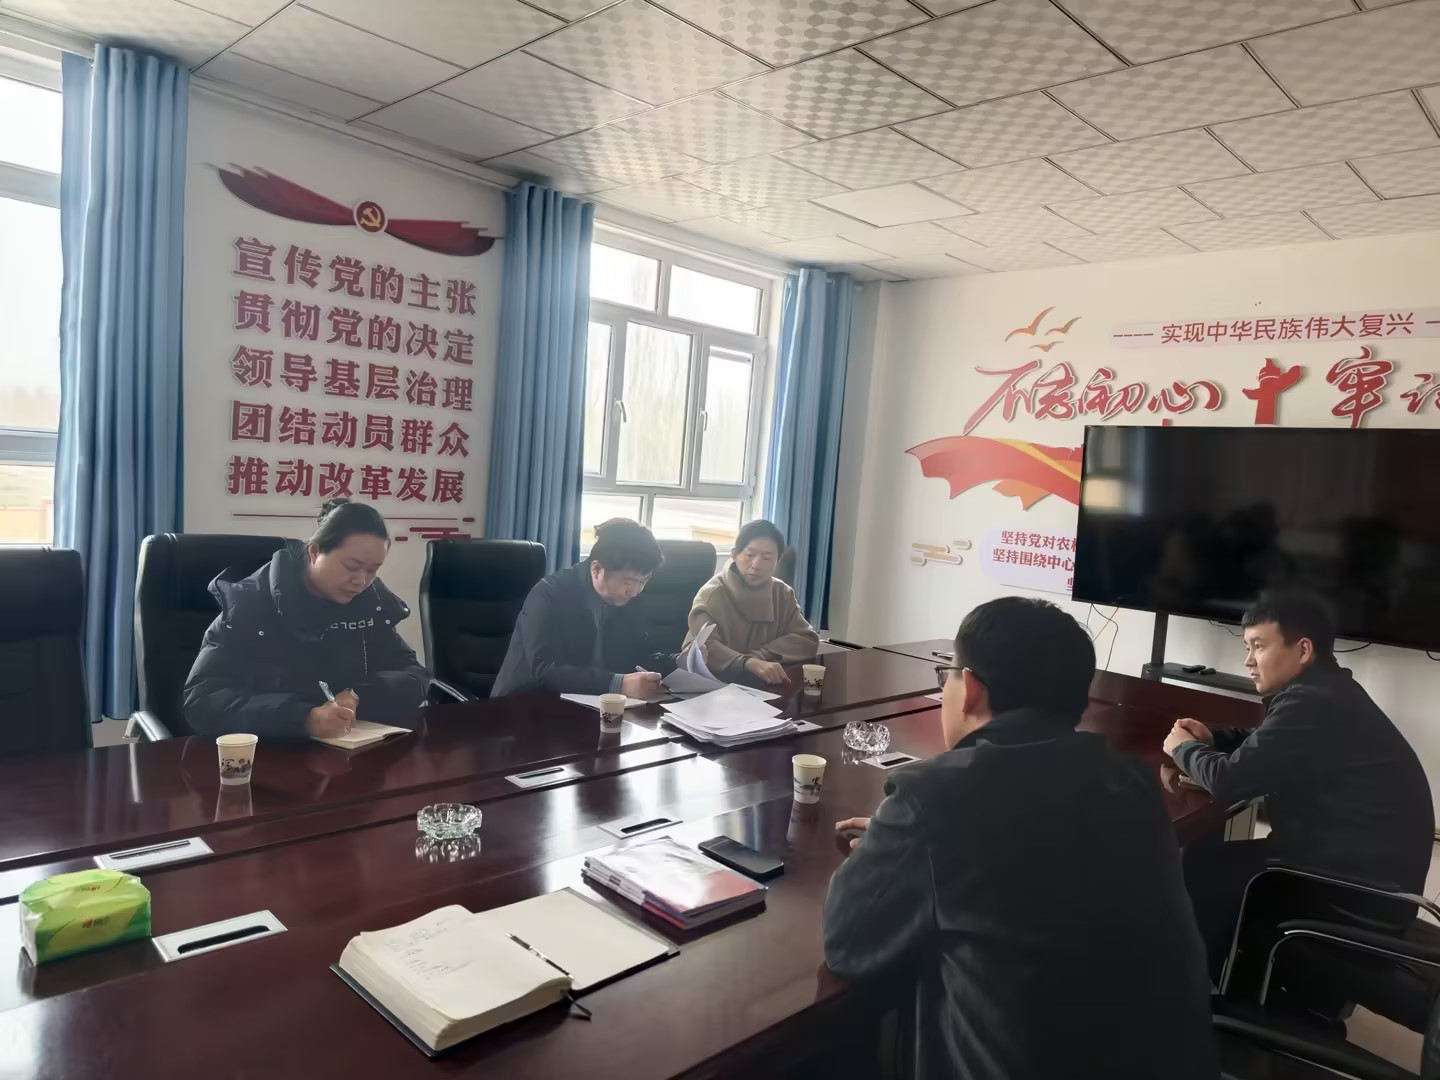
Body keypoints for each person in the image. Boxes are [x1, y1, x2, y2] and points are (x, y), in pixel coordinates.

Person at [824, 597, 1217, 1080]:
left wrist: (901, 848)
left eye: (946, 675)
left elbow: (848, 945)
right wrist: (912, 846)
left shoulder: (935, 795)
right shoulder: (1128, 778)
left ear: (969, 689)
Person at [1164, 589, 1433, 985]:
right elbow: (1265, 744)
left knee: (1203, 861)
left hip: (1354, 895)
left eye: (1259, 646)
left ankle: (1206, 989)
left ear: (1303, 650)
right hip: (1363, 878)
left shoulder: (1314, 701)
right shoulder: (1327, 691)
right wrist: (1213, 739)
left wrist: (1182, 748)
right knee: (1214, 853)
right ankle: (1227, 977)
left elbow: (1230, 782)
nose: (1248, 660)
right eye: (1247, 647)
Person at [185, 499, 430, 740]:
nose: (361, 581)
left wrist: (358, 696)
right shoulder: (249, 606)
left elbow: (415, 675)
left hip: (352, 752)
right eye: (351, 566)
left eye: (373, 569)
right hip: (269, 755)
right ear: (314, 552)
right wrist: (303, 719)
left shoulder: (371, 607)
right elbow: (202, 700)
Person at [491, 518, 667, 698]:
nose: (635, 591)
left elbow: (641, 655)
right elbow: (544, 670)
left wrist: (680, 662)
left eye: (643, 581)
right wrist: (618, 684)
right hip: (523, 703)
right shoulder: (550, 595)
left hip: (592, 703)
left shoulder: (628, 598)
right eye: (628, 582)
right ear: (597, 569)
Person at [679, 520, 818, 686]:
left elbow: (806, 639)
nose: (756, 565)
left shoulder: (783, 593)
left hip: (767, 683)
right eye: (750, 555)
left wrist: (761, 655)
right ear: (734, 554)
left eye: (767, 557)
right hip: (717, 685)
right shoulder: (712, 594)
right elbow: (703, 648)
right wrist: (747, 662)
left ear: (778, 561)